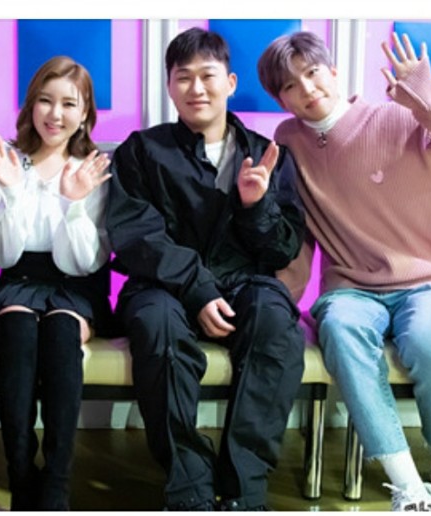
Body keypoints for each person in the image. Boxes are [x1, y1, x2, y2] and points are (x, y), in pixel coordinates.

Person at [257, 31, 431, 510]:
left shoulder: (400, 118)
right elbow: (299, 232)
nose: (307, 89)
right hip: (351, 287)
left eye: (312, 73)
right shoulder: (288, 142)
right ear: (281, 100)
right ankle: (407, 486)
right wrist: (277, 300)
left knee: (428, 341)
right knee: (340, 331)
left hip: (428, 279)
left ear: (333, 72)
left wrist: (428, 96)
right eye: (290, 85)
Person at [106, 28, 307, 511]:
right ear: (170, 86)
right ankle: (190, 489)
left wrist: (256, 206)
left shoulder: (268, 155)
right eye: (184, 77)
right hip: (162, 286)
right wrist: (196, 288)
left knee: (277, 322)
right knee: (156, 325)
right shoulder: (141, 151)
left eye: (208, 76)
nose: (196, 88)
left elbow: (283, 249)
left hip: (245, 282)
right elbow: (136, 235)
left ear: (231, 83)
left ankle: (244, 491)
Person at [0, 56, 113, 511]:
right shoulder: (6, 162)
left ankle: (56, 483)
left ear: (85, 112)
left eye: (69, 104)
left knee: (59, 332)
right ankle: (20, 475)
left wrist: (74, 204)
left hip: (76, 283)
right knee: (15, 331)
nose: (55, 114)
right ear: (31, 105)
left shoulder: (92, 168)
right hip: (17, 276)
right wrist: (13, 192)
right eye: (45, 101)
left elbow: (86, 261)